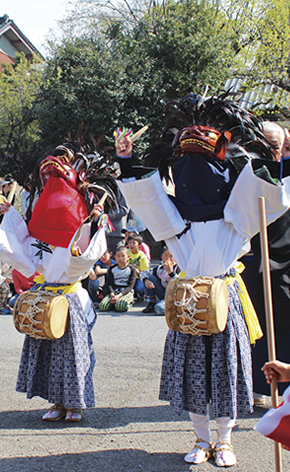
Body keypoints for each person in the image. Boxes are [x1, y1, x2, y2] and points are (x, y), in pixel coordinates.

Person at [114, 92, 290, 467]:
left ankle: (224, 440)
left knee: (225, 373)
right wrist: (125, 159)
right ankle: (199, 437)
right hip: (190, 300)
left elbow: (271, 194)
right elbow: (144, 195)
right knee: (195, 375)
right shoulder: (174, 220)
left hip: (224, 299)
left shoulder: (238, 214)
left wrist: (273, 162)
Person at [241, 121, 290, 404]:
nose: (271, 150)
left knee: (284, 325)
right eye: (265, 144)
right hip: (251, 262)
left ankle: (284, 389)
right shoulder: (245, 174)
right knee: (251, 326)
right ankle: (255, 387)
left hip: (284, 264)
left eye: (276, 145)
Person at [140, 246, 181, 314]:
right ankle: (151, 303)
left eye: (171, 256)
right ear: (162, 256)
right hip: (163, 292)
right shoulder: (160, 268)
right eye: (166, 256)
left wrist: (171, 273)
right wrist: (146, 280)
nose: (168, 258)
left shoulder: (179, 268)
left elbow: (180, 283)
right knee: (150, 277)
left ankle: (175, 309)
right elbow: (143, 273)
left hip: (174, 294)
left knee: (159, 309)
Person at [99, 246, 136, 312]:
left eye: (123, 256)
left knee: (120, 307)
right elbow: (109, 283)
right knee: (103, 306)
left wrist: (119, 296)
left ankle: (129, 302)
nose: (120, 258)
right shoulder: (112, 269)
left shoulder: (131, 269)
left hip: (125, 291)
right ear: (115, 257)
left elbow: (130, 286)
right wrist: (112, 294)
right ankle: (114, 303)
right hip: (115, 290)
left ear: (128, 257)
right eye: (118, 256)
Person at [127, 234, 149, 298]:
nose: (131, 245)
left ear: (139, 244)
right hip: (126, 276)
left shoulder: (142, 257)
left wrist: (135, 270)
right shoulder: (126, 252)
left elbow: (144, 274)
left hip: (137, 278)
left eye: (134, 243)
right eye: (129, 242)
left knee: (140, 289)